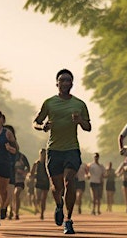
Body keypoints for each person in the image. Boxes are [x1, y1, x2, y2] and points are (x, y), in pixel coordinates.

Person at [33, 68, 91, 234]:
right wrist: (42, 126)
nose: (66, 83)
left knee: (69, 182)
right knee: (57, 186)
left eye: (68, 80)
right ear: (57, 83)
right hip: (53, 150)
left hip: (71, 148)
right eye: (62, 80)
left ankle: (69, 219)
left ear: (72, 83)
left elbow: (88, 127)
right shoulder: (49, 103)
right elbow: (36, 122)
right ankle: (59, 205)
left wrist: (80, 121)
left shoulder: (79, 104)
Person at [31, 148, 50, 220]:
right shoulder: (36, 163)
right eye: (42, 154)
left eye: (45, 154)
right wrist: (33, 176)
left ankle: (42, 213)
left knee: (43, 199)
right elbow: (32, 173)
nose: (43, 155)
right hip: (38, 182)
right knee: (38, 198)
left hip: (46, 183)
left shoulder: (48, 163)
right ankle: (36, 207)